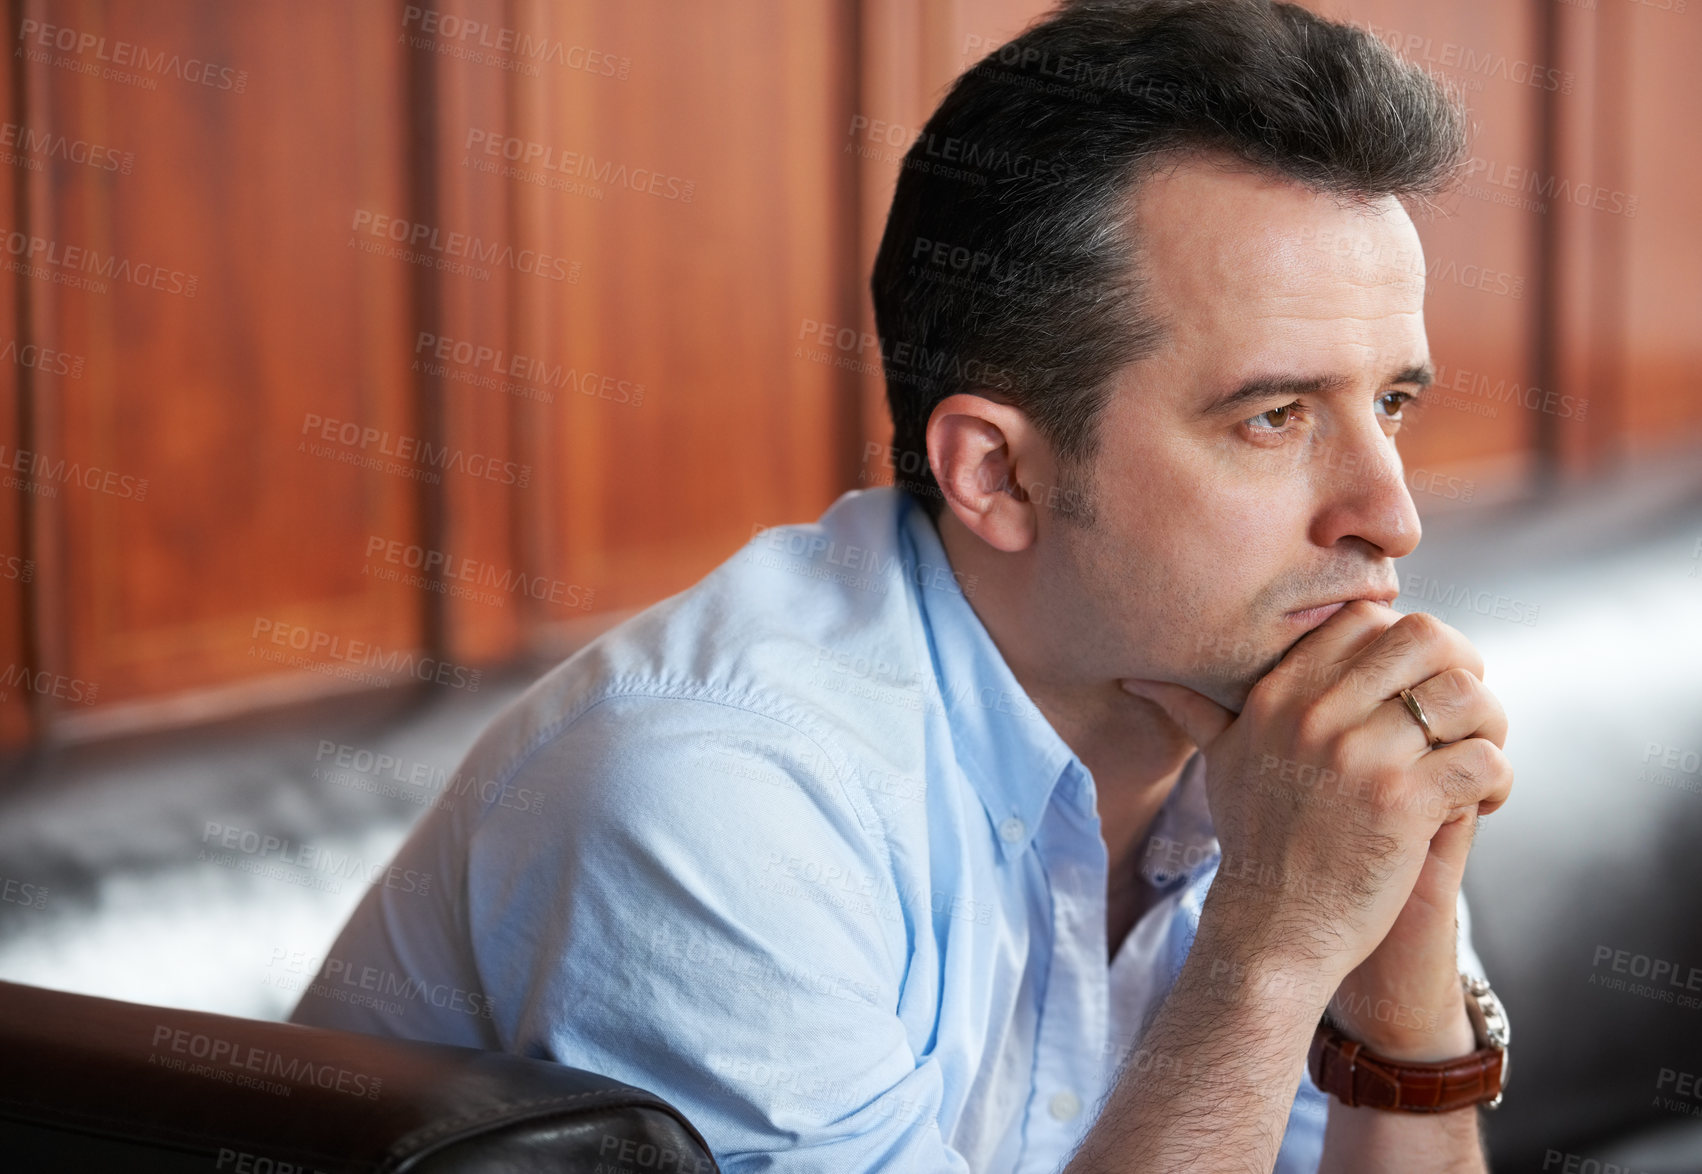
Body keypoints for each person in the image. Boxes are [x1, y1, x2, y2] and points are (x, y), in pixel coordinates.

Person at [292, 1, 1514, 1169]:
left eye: (1392, 403)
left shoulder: (1279, 718)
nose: (1388, 512)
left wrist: (1400, 983)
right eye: (1274, 416)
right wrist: (1272, 945)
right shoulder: (708, 792)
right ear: (996, 474)